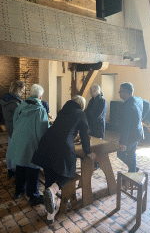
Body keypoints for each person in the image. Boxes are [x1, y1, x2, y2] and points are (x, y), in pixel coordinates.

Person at [32, 95, 96, 224]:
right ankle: (54, 189)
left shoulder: (62, 111)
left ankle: (50, 215)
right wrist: (88, 152)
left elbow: (62, 128)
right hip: (62, 146)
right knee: (70, 172)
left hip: (46, 143)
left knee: (50, 174)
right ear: (81, 105)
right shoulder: (81, 113)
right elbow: (84, 135)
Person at [8, 84, 49, 205]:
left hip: (19, 140)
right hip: (32, 143)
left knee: (20, 166)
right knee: (33, 169)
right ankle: (33, 196)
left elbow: (15, 124)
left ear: (31, 94)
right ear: (40, 95)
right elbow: (43, 131)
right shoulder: (40, 110)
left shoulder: (21, 106)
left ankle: (18, 191)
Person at [117, 82, 150, 172]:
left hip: (130, 135)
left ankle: (133, 169)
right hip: (138, 132)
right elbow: (147, 104)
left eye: (120, 91)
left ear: (126, 92)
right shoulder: (138, 99)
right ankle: (133, 172)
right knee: (131, 153)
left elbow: (126, 126)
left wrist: (123, 142)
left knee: (120, 154)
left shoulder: (127, 106)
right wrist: (141, 117)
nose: (119, 93)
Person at [0, 80, 25, 179]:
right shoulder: (14, 102)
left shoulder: (7, 98)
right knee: (16, 151)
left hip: (10, 127)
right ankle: (15, 170)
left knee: (10, 149)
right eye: (23, 88)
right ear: (19, 88)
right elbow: (21, 116)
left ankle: (10, 169)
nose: (24, 90)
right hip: (16, 128)